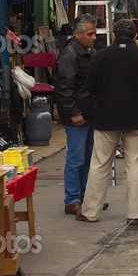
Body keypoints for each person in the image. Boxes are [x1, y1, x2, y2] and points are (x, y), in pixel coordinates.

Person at [79, 19, 138, 224]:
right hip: (136, 118)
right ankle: (136, 213)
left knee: (100, 164)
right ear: (136, 36)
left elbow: (89, 88)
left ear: (114, 36)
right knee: (135, 164)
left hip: (106, 118)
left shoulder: (100, 57)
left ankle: (90, 211)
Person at [54, 14, 98, 217]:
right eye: (89, 34)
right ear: (77, 34)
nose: (93, 37)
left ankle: (85, 197)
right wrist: (74, 113)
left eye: (95, 33)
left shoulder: (89, 52)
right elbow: (64, 88)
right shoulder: (69, 56)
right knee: (76, 159)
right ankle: (72, 199)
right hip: (77, 115)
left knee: (87, 158)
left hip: (89, 113)